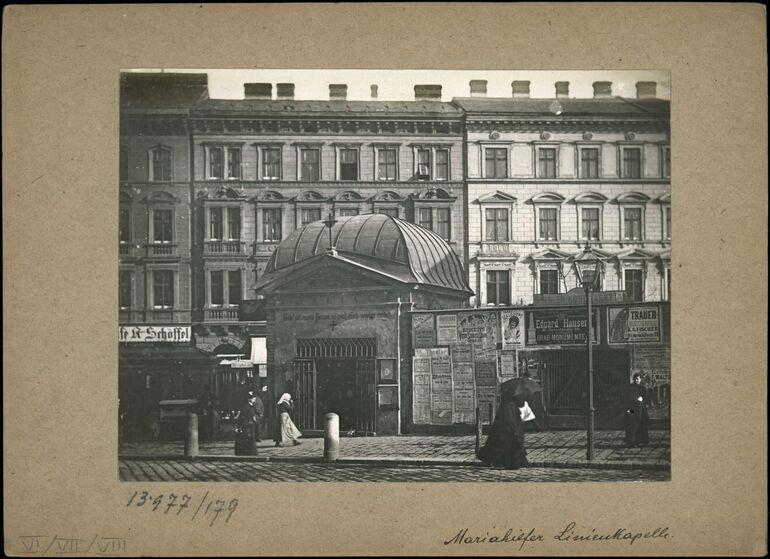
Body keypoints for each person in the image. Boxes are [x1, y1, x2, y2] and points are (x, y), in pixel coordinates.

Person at [475, 390, 529, 469]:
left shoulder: (510, 402)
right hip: (507, 428)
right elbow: (510, 420)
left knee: (507, 445)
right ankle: (511, 463)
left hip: (506, 427)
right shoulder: (509, 404)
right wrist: (514, 430)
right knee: (509, 445)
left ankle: (511, 462)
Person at [624, 373, 650, 447]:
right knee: (631, 424)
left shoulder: (642, 388)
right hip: (631, 409)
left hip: (640, 410)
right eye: (635, 379)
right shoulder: (630, 387)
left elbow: (647, 398)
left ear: (640, 379)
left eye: (637, 379)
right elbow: (626, 398)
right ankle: (631, 441)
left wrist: (642, 400)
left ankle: (639, 441)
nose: (636, 380)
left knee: (640, 425)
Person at [234, 391, 263, 456]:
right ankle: (246, 452)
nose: (254, 400)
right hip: (246, 425)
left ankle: (251, 452)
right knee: (247, 438)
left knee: (252, 438)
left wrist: (255, 417)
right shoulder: (245, 406)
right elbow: (242, 416)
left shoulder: (253, 405)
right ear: (249, 399)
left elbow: (255, 413)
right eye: (253, 399)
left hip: (251, 424)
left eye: (254, 399)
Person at [273, 383, 303, 447]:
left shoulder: (282, 403)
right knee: (287, 428)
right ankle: (292, 441)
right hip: (284, 416)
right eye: (288, 397)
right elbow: (290, 409)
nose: (289, 398)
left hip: (284, 416)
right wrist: (292, 403)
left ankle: (293, 440)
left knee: (288, 428)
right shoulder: (284, 403)